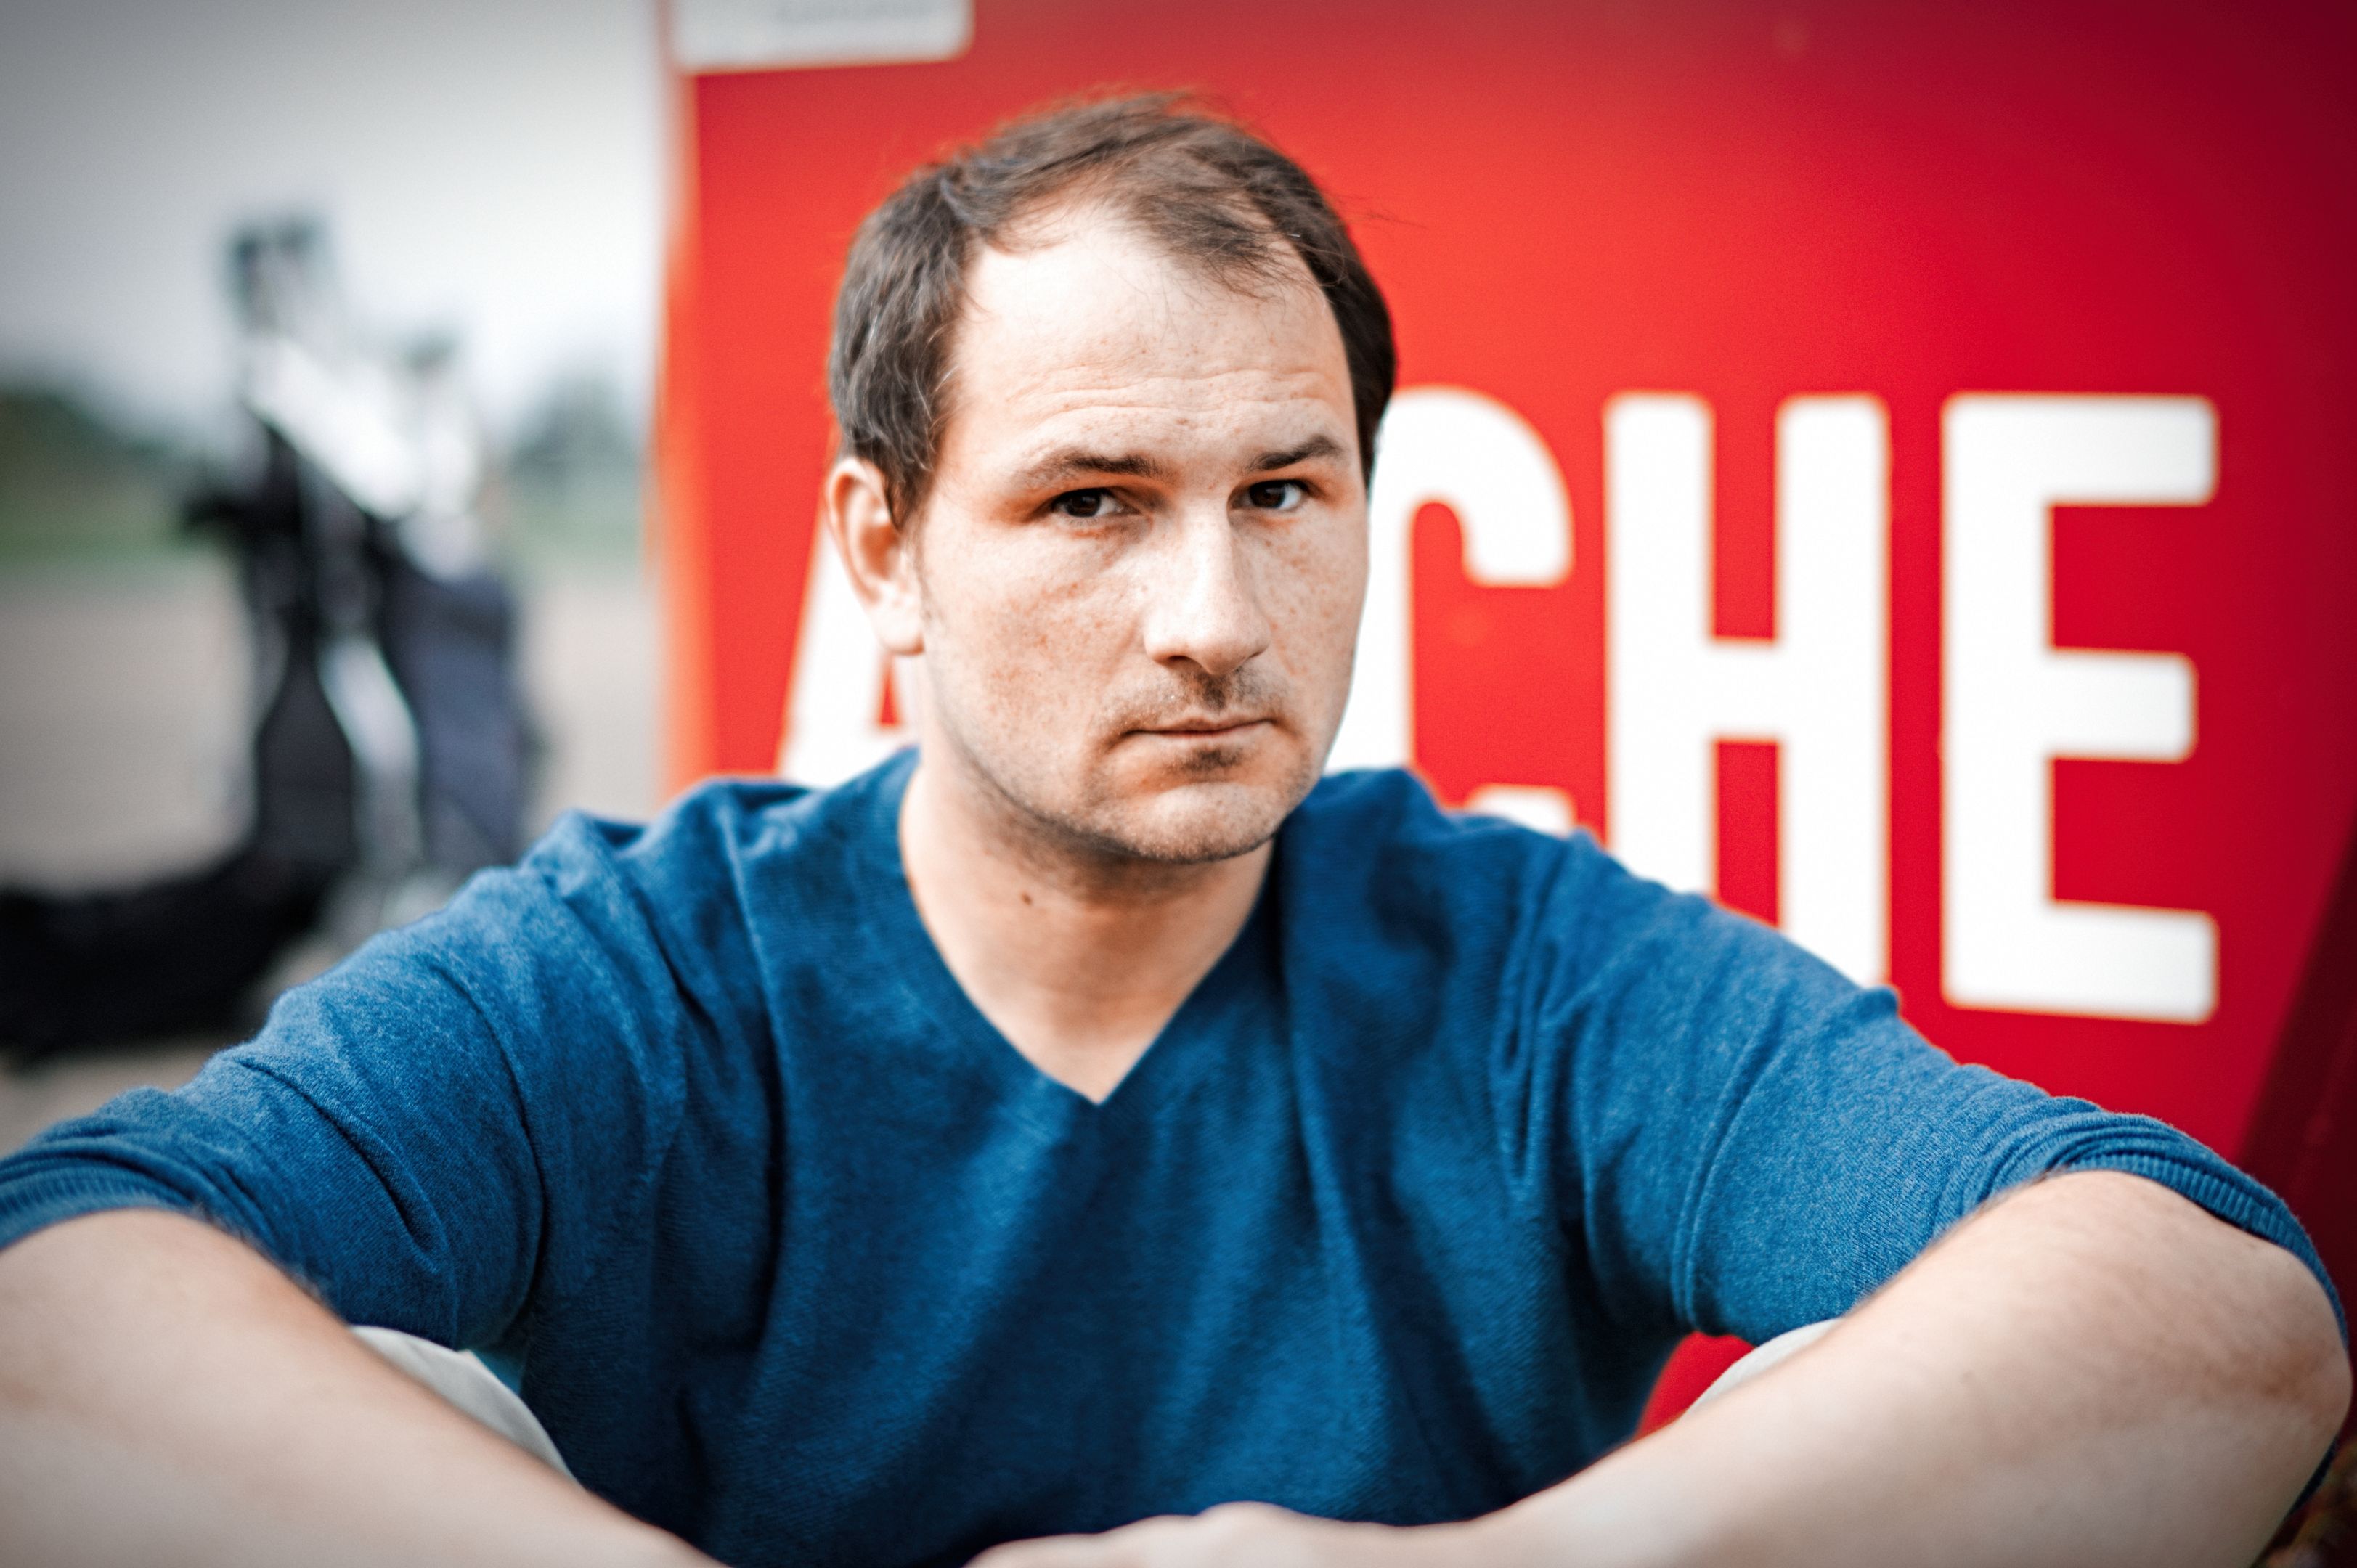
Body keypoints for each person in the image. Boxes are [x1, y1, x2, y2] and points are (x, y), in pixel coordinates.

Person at [0, 94, 2343, 1568]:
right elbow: (50, 1302)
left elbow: (2223, 1310)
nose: (1216, 617)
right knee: (375, 1394)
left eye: (1285, 495)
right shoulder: (642, 979)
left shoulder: (1522, 971)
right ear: (883, 550)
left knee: (1883, 1390)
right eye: (1094, 502)